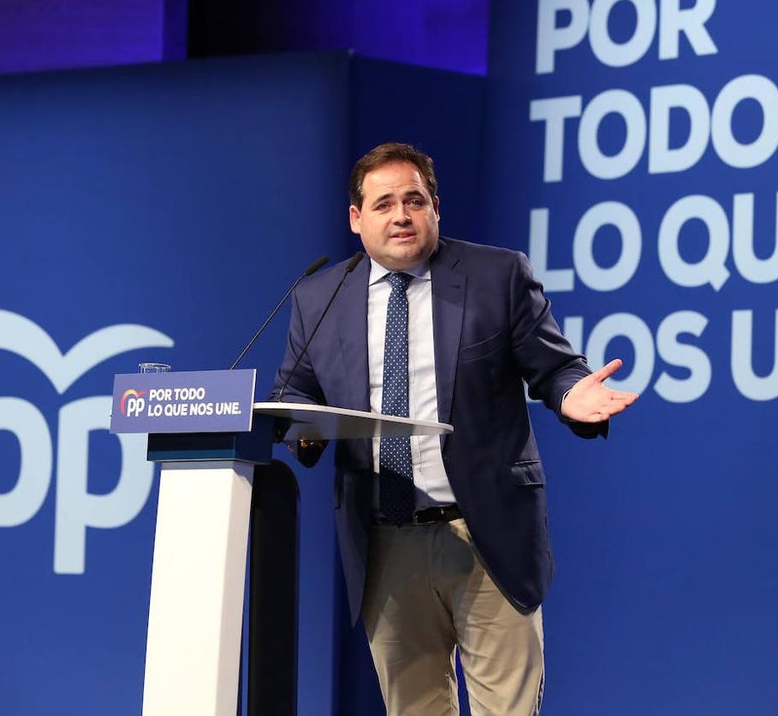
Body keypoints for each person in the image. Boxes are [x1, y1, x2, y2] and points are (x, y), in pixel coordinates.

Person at [270, 142, 637, 715]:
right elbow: (292, 394)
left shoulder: (497, 275)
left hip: (484, 534)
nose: (400, 215)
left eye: (414, 200)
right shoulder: (319, 296)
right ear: (356, 218)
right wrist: (308, 430)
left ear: (435, 207)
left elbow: (556, 367)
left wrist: (571, 394)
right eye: (384, 202)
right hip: (384, 543)